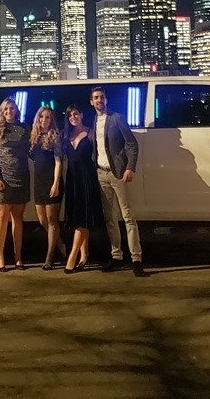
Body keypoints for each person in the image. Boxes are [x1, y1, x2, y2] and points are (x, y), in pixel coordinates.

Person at [90, 86, 146, 277]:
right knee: (109, 218)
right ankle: (117, 256)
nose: (99, 100)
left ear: (106, 100)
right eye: (96, 98)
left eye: (102, 97)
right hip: (101, 174)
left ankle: (136, 258)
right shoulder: (94, 120)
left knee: (128, 217)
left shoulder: (117, 118)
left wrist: (130, 167)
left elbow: (131, 143)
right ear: (91, 102)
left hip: (118, 173)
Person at [61, 105, 105, 274]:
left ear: (81, 115)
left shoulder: (91, 132)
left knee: (82, 219)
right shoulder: (66, 135)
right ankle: (84, 254)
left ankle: (72, 256)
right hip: (72, 179)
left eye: (76, 114)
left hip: (87, 178)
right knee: (80, 218)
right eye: (70, 115)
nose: (73, 117)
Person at [0, 97, 30, 272]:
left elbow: (31, 149)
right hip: (3, 180)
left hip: (21, 177)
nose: (9, 112)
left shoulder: (24, 128)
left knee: (18, 219)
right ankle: (0, 256)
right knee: (2, 218)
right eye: (6, 109)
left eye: (11, 108)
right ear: (2, 111)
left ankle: (18, 257)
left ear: (16, 110)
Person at [29, 105, 67, 270]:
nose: (44, 120)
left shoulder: (55, 137)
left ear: (52, 120)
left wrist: (56, 184)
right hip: (39, 182)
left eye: (47, 117)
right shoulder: (34, 137)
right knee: (43, 220)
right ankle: (61, 246)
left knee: (52, 221)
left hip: (52, 182)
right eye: (42, 117)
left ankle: (49, 257)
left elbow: (59, 162)